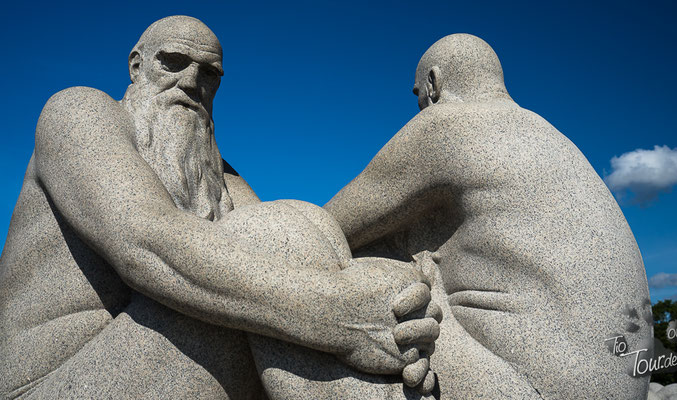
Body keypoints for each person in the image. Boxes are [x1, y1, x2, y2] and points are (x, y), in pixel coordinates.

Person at [0, 16, 439, 399]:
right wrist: (341, 314)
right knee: (270, 236)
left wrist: (396, 309)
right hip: (55, 382)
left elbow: (301, 246)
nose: (192, 83)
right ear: (137, 66)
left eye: (209, 73)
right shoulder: (79, 113)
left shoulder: (219, 176)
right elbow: (145, 243)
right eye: (173, 62)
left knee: (303, 222)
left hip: (152, 363)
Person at [325, 34, 652, 399]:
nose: (418, 106)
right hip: (618, 387)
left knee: (300, 248)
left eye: (417, 94)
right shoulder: (547, 136)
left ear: (434, 83)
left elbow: (326, 227)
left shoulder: (445, 125)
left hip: (529, 386)